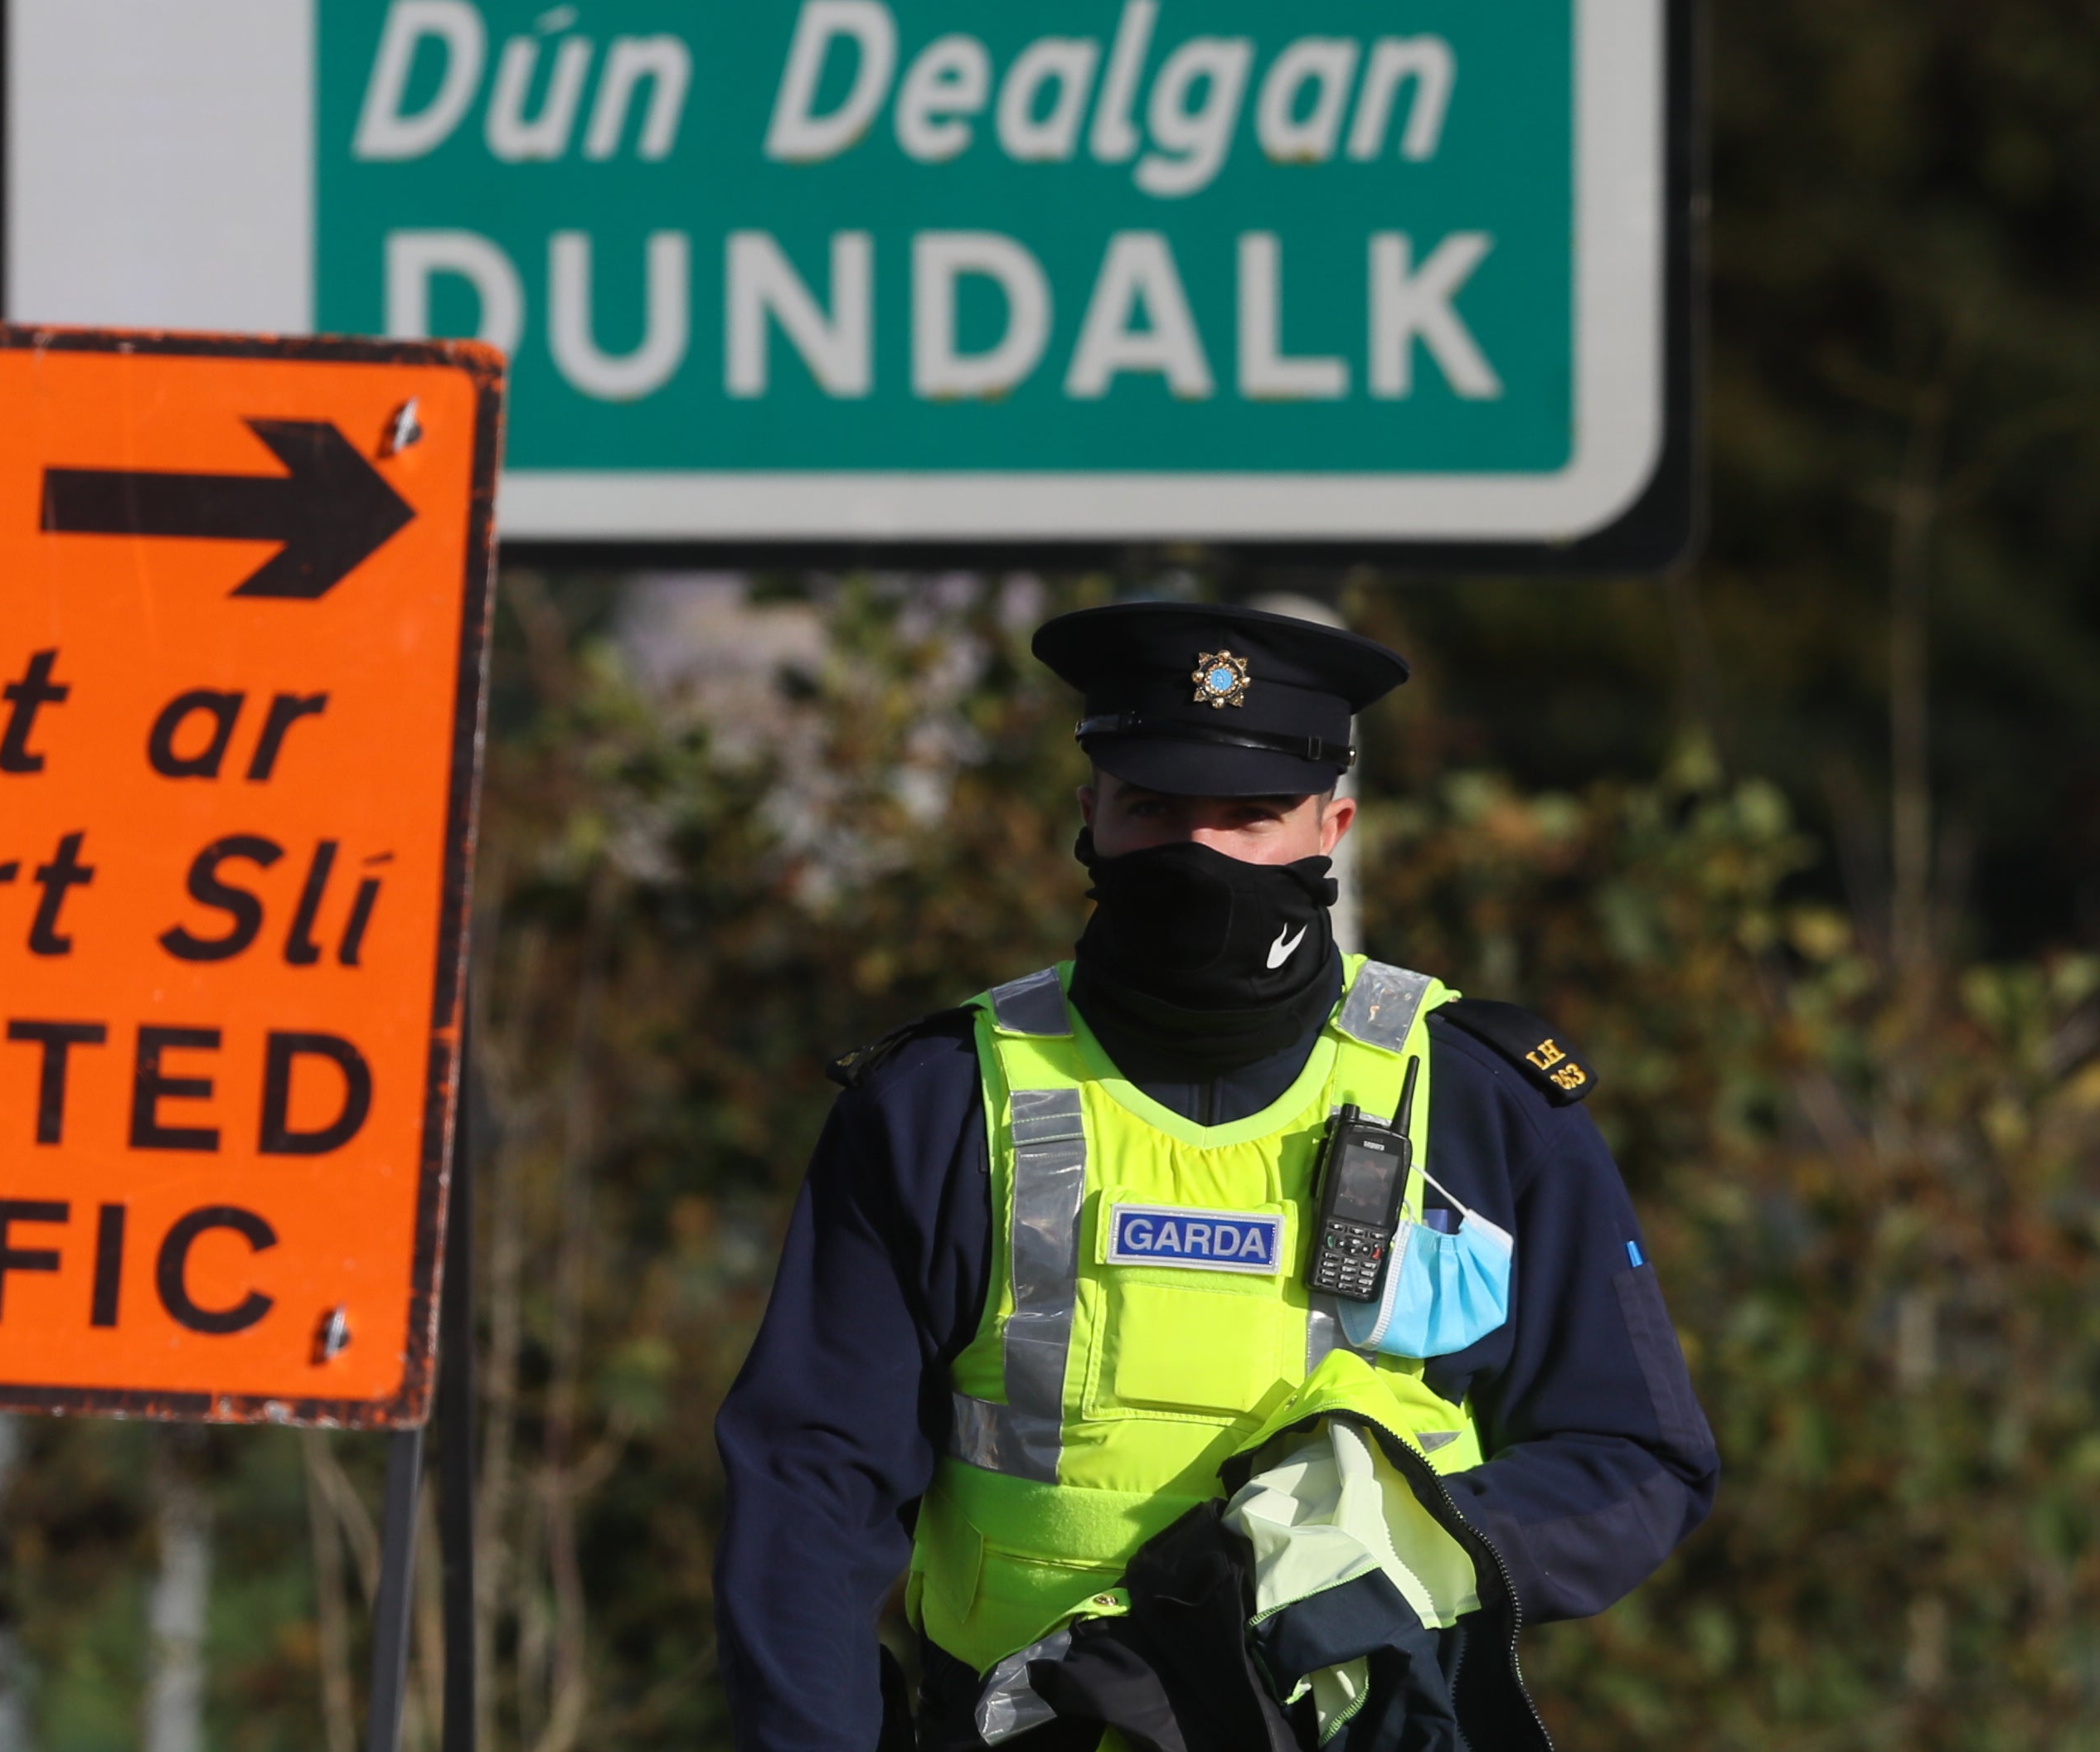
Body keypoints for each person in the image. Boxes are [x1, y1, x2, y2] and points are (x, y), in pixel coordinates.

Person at [713, 599, 1716, 1752]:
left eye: (1250, 817)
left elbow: (1640, 1457)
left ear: (1333, 825)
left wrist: (1401, 1539)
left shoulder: (1485, 1105)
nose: (1201, 855)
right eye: (1155, 810)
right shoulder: (938, 1103)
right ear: (1090, 813)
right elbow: (808, 1495)